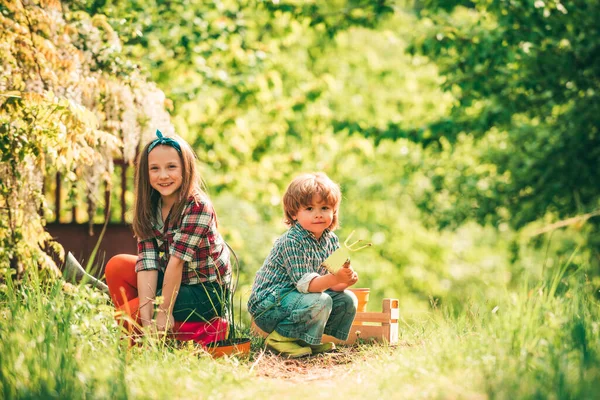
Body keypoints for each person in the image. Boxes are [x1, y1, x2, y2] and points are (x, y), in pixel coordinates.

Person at [105, 129, 231, 337]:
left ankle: (188, 330)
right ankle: (148, 335)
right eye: (154, 169)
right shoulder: (150, 206)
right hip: (176, 280)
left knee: (128, 314)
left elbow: (176, 263)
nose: (163, 176)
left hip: (206, 292)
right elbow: (148, 261)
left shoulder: (197, 206)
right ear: (146, 174)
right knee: (117, 266)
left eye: (171, 167)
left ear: (186, 169)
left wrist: (163, 310)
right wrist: (146, 319)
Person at [247, 172, 359, 358]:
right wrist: (334, 277)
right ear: (294, 213)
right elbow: (307, 285)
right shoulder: (292, 240)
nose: (318, 215)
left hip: (300, 299)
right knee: (321, 300)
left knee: (347, 300)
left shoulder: (331, 241)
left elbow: (334, 285)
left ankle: (305, 339)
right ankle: (278, 339)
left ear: (334, 211)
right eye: (309, 208)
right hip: (270, 304)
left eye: (324, 208)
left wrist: (345, 279)